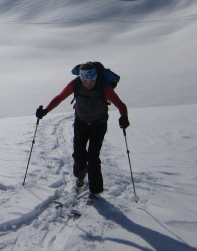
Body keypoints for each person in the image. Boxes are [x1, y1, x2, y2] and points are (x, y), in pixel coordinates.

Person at [35, 62, 129, 198]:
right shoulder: (76, 84)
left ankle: (96, 190)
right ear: (81, 78)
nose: (89, 83)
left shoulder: (104, 87)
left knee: (93, 157)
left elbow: (121, 105)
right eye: (86, 81)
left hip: (99, 124)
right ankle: (80, 176)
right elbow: (60, 97)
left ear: (96, 77)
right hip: (81, 123)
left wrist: (124, 117)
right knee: (79, 155)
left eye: (92, 80)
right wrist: (45, 111)